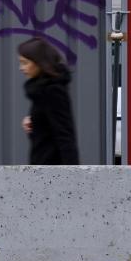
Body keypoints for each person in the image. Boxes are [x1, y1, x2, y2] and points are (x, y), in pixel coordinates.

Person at [18, 37, 79, 165]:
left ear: (39, 63)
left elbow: (64, 134)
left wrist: (73, 175)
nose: (21, 68)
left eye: (25, 63)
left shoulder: (52, 91)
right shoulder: (41, 90)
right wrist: (33, 121)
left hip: (52, 171)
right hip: (42, 167)